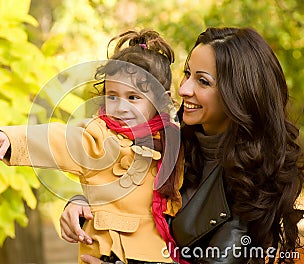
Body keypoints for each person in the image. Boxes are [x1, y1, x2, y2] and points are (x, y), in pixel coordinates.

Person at [60, 27, 304, 264]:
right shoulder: (169, 140)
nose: (183, 89)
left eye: (203, 82)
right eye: (187, 74)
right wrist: (82, 203)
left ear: (238, 93)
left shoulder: (253, 186)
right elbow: (131, 188)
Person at [0, 29, 187, 263]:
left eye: (133, 97)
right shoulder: (99, 137)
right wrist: (10, 138)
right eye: (113, 95)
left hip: (159, 253)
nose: (120, 107)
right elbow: (59, 140)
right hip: (111, 249)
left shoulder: (173, 141)